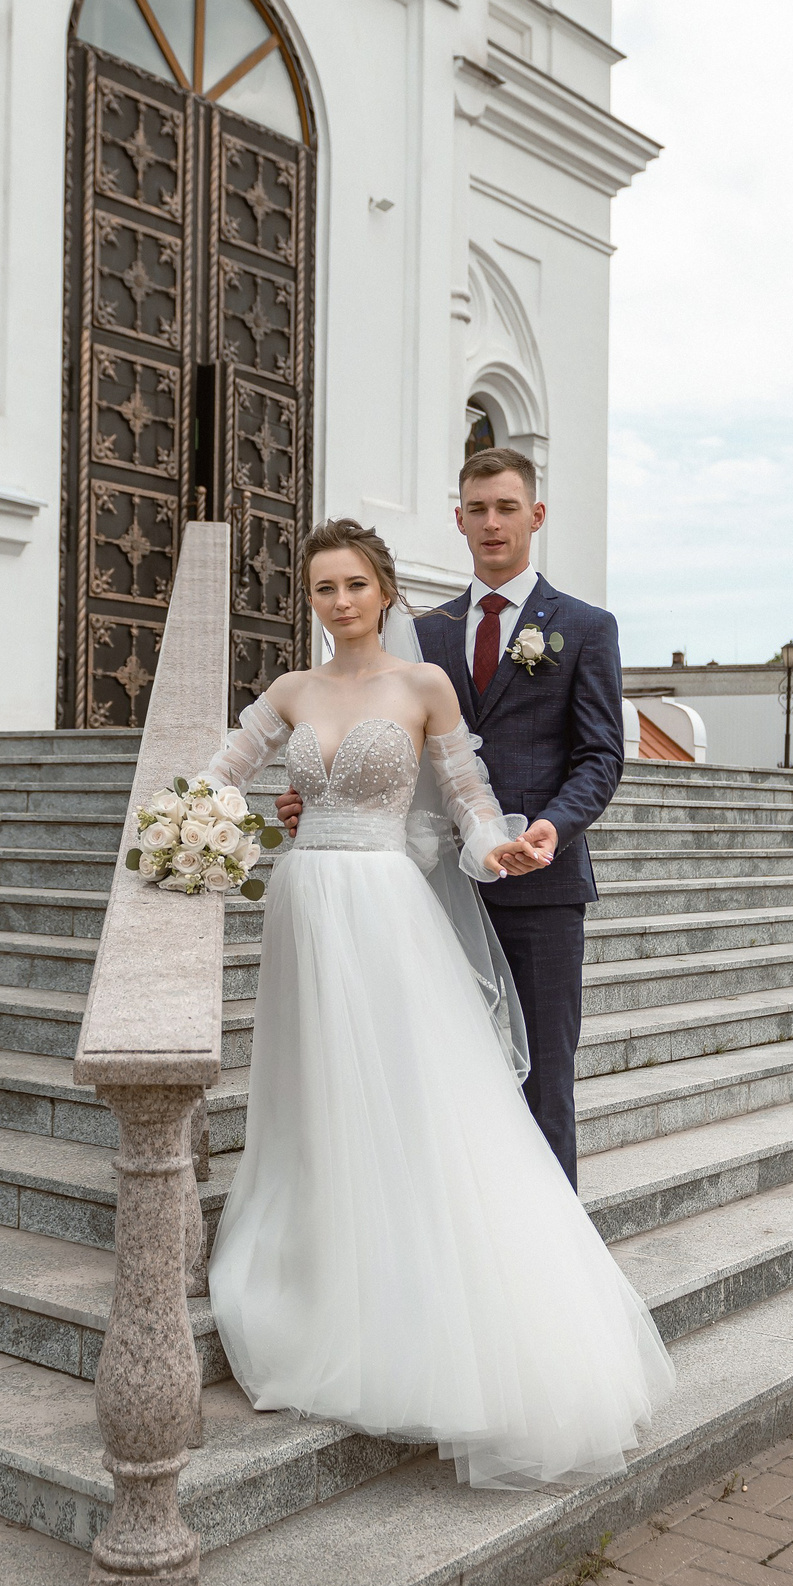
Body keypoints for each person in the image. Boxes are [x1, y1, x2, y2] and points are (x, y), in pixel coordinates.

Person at [197, 518, 672, 1490]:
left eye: (353, 585)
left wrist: (500, 843)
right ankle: (317, 1266)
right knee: (312, 1094)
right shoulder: (290, 691)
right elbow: (219, 775)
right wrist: (188, 829)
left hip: (382, 907)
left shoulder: (423, 687)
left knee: (405, 1098)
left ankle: (416, 1293)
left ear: (383, 591)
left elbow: (463, 793)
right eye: (321, 588)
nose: (337, 602)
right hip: (300, 907)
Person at [274, 447, 621, 1186]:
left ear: (536, 515)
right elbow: (383, 743)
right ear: (457, 519)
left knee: (542, 1084)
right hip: (421, 895)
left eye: (505, 507)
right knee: (432, 1079)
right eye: (476, 509)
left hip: (538, 889)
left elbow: (600, 756)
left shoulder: (586, 627)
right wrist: (322, 791)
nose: (491, 523)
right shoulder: (421, 634)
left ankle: (548, 1256)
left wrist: (553, 827)